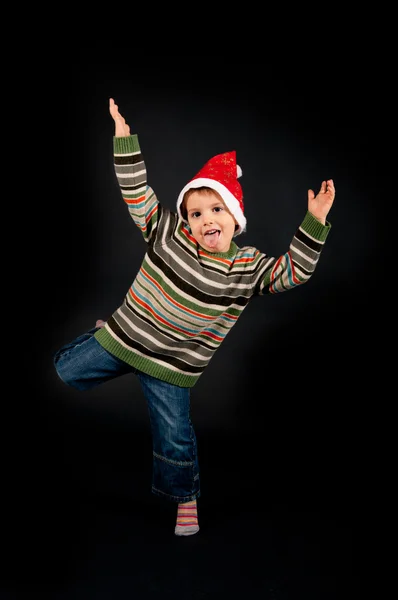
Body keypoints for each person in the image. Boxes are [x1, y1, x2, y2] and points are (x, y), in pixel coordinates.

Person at [53, 98, 336, 536]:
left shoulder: (246, 268)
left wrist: (313, 222)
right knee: (65, 371)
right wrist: (124, 141)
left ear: (234, 218)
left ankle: (185, 498)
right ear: (186, 219)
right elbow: (137, 193)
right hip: (128, 335)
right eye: (196, 213)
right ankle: (107, 335)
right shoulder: (166, 232)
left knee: (175, 438)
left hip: (171, 367)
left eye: (216, 210)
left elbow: (292, 272)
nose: (206, 220)